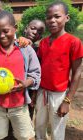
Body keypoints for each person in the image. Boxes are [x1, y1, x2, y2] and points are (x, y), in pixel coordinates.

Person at [0, 10, 41, 140]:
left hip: (19, 104)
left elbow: (35, 74)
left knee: (26, 136)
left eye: (6, 31)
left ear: (15, 28)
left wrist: (25, 83)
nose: (1, 35)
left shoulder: (26, 49)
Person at [35, 1, 83, 140]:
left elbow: (77, 72)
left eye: (57, 16)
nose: (52, 20)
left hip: (59, 95)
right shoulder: (43, 43)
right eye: (49, 17)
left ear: (66, 18)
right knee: (39, 126)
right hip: (42, 92)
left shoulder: (74, 42)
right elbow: (39, 69)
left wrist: (67, 101)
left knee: (57, 129)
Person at [24, 19, 45, 120]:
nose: (35, 32)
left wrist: (35, 94)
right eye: (33, 28)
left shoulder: (39, 51)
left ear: (40, 37)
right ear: (25, 28)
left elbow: (38, 74)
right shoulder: (13, 45)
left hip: (30, 90)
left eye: (39, 32)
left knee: (27, 118)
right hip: (13, 89)